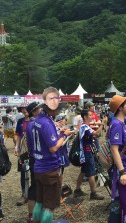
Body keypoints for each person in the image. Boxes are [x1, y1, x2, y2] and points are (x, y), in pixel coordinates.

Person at [32, 87, 73, 223]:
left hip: (38, 167)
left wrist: (57, 133)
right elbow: (53, 148)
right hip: (49, 168)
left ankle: (36, 220)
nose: (60, 110)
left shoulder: (35, 121)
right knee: (49, 205)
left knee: (39, 200)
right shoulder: (46, 123)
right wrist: (64, 135)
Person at [74, 109, 107, 200]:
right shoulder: (85, 127)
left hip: (84, 152)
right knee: (91, 172)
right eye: (90, 115)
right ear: (85, 117)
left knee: (83, 170)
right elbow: (96, 134)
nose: (92, 117)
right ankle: (93, 193)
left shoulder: (84, 126)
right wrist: (103, 124)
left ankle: (77, 189)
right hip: (87, 152)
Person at [25, 102, 42, 223]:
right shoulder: (33, 124)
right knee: (35, 187)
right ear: (34, 111)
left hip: (35, 158)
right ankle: (31, 215)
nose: (41, 109)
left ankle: (35, 214)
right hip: (36, 159)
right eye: (39, 108)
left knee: (38, 186)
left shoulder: (32, 123)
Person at [14, 105, 29, 206]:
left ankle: (33, 193)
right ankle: (24, 194)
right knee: (23, 172)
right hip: (23, 151)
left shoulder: (35, 120)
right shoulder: (20, 121)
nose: (24, 110)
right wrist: (16, 146)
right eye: (22, 108)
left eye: (26, 108)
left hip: (34, 151)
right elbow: (17, 135)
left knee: (35, 172)